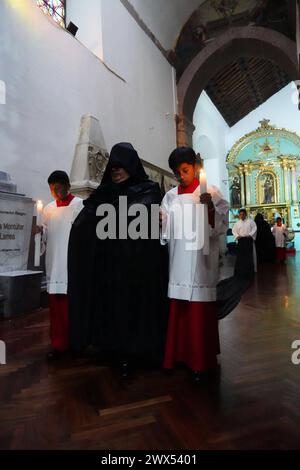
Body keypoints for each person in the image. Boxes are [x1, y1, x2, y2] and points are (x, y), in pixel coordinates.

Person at [68, 142, 168, 377]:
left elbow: (148, 223)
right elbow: (85, 223)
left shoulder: (149, 190)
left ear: (132, 166)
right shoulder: (103, 193)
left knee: (133, 308)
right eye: (113, 167)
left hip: (138, 267)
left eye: (121, 167)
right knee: (111, 307)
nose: (116, 171)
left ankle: (133, 352)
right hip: (108, 266)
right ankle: (112, 347)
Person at [160, 147, 229, 383]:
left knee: (199, 310)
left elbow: (220, 227)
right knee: (180, 309)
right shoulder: (170, 196)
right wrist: (161, 221)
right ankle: (177, 356)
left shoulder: (212, 192)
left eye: (185, 170)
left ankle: (200, 361)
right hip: (179, 258)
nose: (181, 176)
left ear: (195, 166)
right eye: (177, 173)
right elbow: (165, 230)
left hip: (201, 260)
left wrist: (209, 208)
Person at [36, 171, 83, 359]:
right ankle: (58, 344)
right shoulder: (48, 209)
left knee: (72, 308)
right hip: (54, 263)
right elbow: (46, 237)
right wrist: (40, 231)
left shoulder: (79, 205)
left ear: (67, 185)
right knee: (56, 309)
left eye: (58, 187)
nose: (54, 192)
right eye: (51, 189)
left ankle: (75, 343)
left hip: (71, 264)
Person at [232, 208, 257, 279]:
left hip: (248, 240)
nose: (241, 216)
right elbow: (234, 231)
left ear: (245, 214)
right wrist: (237, 236)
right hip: (241, 241)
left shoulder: (250, 221)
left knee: (249, 256)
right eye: (240, 214)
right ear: (239, 215)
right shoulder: (237, 223)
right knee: (241, 256)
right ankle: (241, 270)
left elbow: (254, 228)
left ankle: (249, 270)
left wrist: (250, 234)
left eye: (243, 214)